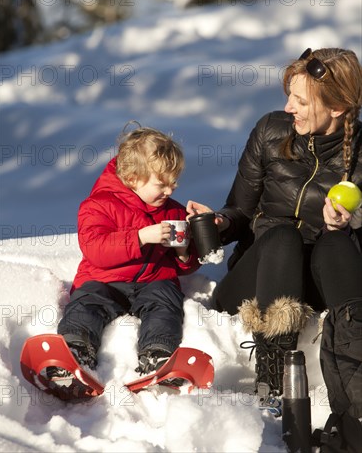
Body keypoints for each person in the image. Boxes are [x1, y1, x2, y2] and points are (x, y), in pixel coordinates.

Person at [187, 48, 362, 447]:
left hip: (321, 280)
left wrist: (352, 223)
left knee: (336, 244)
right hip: (257, 282)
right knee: (281, 236)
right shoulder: (271, 131)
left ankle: (356, 405)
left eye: (301, 101)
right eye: (290, 97)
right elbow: (239, 212)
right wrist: (219, 223)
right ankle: (271, 382)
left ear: (337, 106)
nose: (289, 108)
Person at [51, 126, 200, 383]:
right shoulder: (99, 205)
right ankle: (75, 350)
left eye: (174, 182)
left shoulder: (172, 211)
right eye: (161, 184)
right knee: (88, 303)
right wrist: (141, 237)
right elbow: (96, 249)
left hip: (153, 281)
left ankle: (159, 354)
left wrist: (185, 251)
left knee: (166, 303)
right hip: (104, 280)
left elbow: (185, 266)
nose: (170, 190)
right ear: (133, 178)